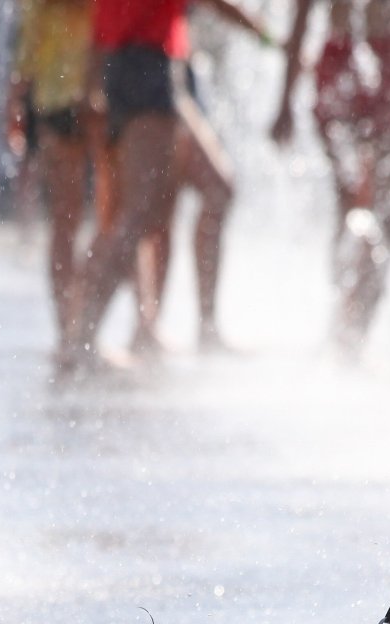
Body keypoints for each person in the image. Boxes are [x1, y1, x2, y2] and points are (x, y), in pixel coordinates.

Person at [64, 0, 274, 371]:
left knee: (213, 190)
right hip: (146, 69)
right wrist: (267, 35)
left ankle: (190, 328)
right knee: (138, 214)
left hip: (144, 68)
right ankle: (81, 339)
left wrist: (91, 82)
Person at [270, 0, 390, 352]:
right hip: (349, 67)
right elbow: (302, 17)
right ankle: (344, 323)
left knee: (384, 214)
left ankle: (355, 328)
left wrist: (285, 102)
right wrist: (283, 102)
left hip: (382, 69)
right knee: (355, 207)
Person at [13, 0, 97, 361]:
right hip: (66, 93)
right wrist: (16, 97)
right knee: (68, 221)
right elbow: (30, 35)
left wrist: (15, 95)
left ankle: (84, 329)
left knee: (111, 213)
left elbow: (27, 39)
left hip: (81, 88)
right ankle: (69, 332)